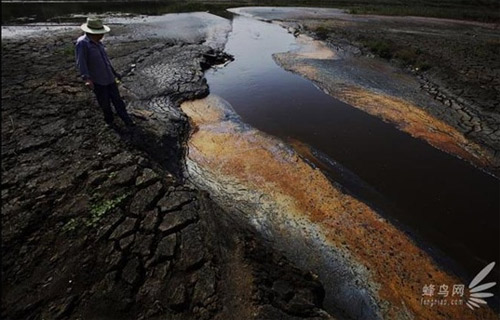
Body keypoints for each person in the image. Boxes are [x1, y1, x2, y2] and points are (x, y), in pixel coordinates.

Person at [75, 17, 135, 127]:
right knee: (105, 103)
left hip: (109, 77)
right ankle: (110, 121)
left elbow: (105, 60)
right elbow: (81, 62)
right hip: (98, 80)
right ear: (92, 32)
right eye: (100, 33)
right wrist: (86, 79)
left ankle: (126, 118)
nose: (102, 36)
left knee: (118, 100)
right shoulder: (82, 44)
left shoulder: (99, 42)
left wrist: (114, 73)